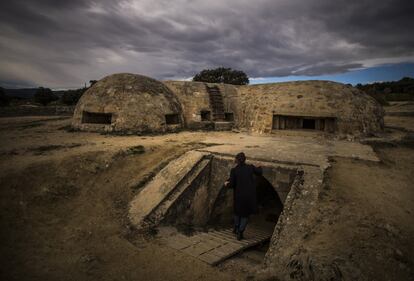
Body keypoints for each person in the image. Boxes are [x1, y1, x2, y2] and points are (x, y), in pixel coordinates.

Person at [224, 152, 262, 240]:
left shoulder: (234, 170)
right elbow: (259, 172)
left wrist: (226, 184)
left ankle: (236, 228)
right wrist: (259, 166)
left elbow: (232, 184)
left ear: (236, 161)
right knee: (245, 215)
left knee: (237, 212)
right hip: (249, 196)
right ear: (245, 159)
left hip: (239, 196)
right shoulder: (250, 167)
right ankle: (240, 232)